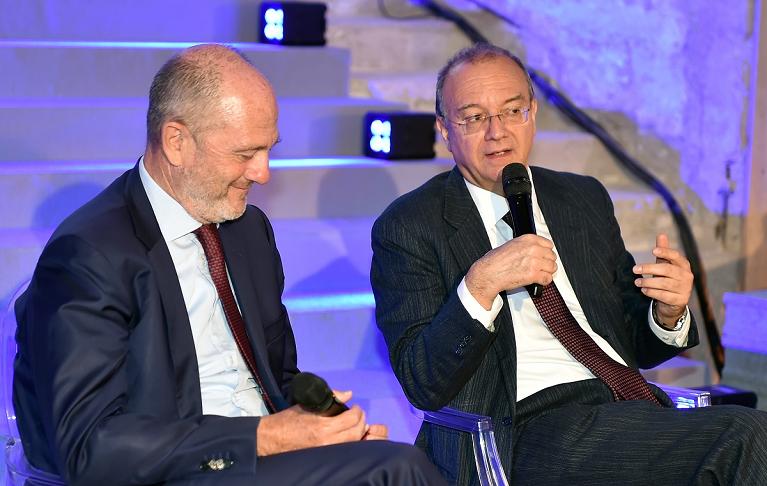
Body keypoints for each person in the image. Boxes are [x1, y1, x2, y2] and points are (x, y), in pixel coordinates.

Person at [13, 44, 446, 486]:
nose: (263, 173)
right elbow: (90, 446)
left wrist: (319, 429)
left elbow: (276, 377)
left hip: (253, 460)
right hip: (173, 473)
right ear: (177, 142)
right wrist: (265, 436)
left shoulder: (247, 230)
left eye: (269, 149)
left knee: (385, 460)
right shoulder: (89, 254)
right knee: (398, 471)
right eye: (245, 154)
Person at [370, 42, 767, 485]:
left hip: (625, 408)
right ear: (445, 130)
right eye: (475, 118)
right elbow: (422, 381)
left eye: (512, 111)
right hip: (527, 428)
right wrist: (480, 285)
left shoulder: (581, 198)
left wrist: (666, 313)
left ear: (533, 114)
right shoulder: (409, 226)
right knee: (745, 433)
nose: (497, 132)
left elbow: (629, 340)